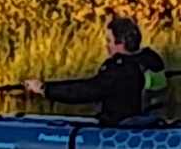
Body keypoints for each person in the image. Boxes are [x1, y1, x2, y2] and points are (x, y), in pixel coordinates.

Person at [25, 15, 169, 126]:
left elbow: (85, 91)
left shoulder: (118, 70)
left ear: (121, 43)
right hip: (153, 124)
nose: (106, 46)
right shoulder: (152, 59)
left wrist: (44, 89)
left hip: (123, 130)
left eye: (109, 41)